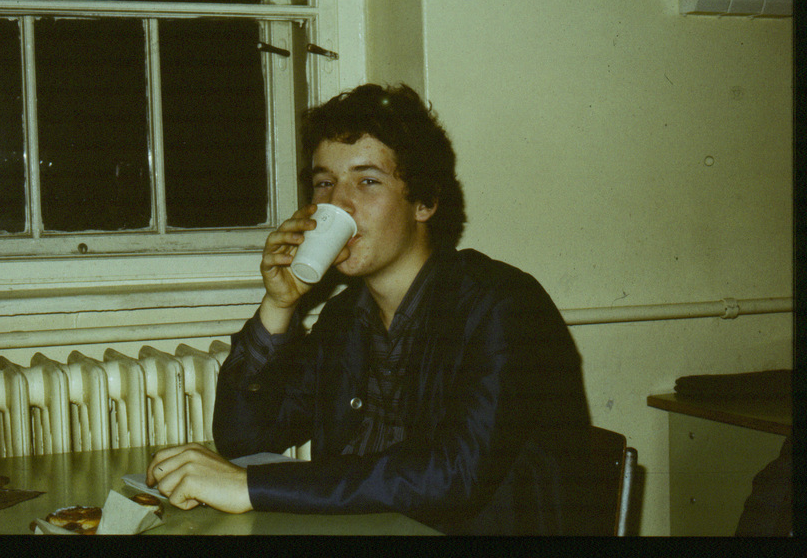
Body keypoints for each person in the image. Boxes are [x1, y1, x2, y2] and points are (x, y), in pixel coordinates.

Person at [147, 83, 593, 534]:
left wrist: (250, 487)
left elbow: (451, 475)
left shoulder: (503, 306)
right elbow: (245, 439)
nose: (337, 203)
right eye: (325, 183)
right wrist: (280, 304)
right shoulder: (346, 318)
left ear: (424, 202)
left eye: (367, 181)